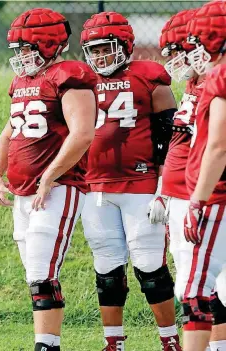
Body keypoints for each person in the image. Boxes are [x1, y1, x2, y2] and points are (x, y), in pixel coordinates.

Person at [0, 8, 97, 351]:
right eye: (17, 50)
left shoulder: (68, 75)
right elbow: (8, 134)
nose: (21, 57)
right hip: (24, 192)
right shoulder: (23, 82)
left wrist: (50, 176)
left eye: (26, 48)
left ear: (49, 44)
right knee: (34, 275)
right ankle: (47, 343)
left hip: (57, 189)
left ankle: (46, 346)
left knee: (40, 272)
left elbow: (82, 134)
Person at [80, 11, 181, 351]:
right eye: (93, 50)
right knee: (106, 268)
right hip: (93, 188)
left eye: (106, 48)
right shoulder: (79, 81)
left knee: (150, 266)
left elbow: (171, 137)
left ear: (124, 46)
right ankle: (114, 342)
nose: (99, 57)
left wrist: (164, 190)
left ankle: (169, 340)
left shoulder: (149, 76)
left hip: (140, 185)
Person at [160, 6, 226, 351]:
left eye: (194, 43)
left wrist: (198, 198)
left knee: (196, 287)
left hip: (211, 193)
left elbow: (216, 146)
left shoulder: (218, 77)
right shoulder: (199, 81)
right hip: (195, 190)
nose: (188, 52)